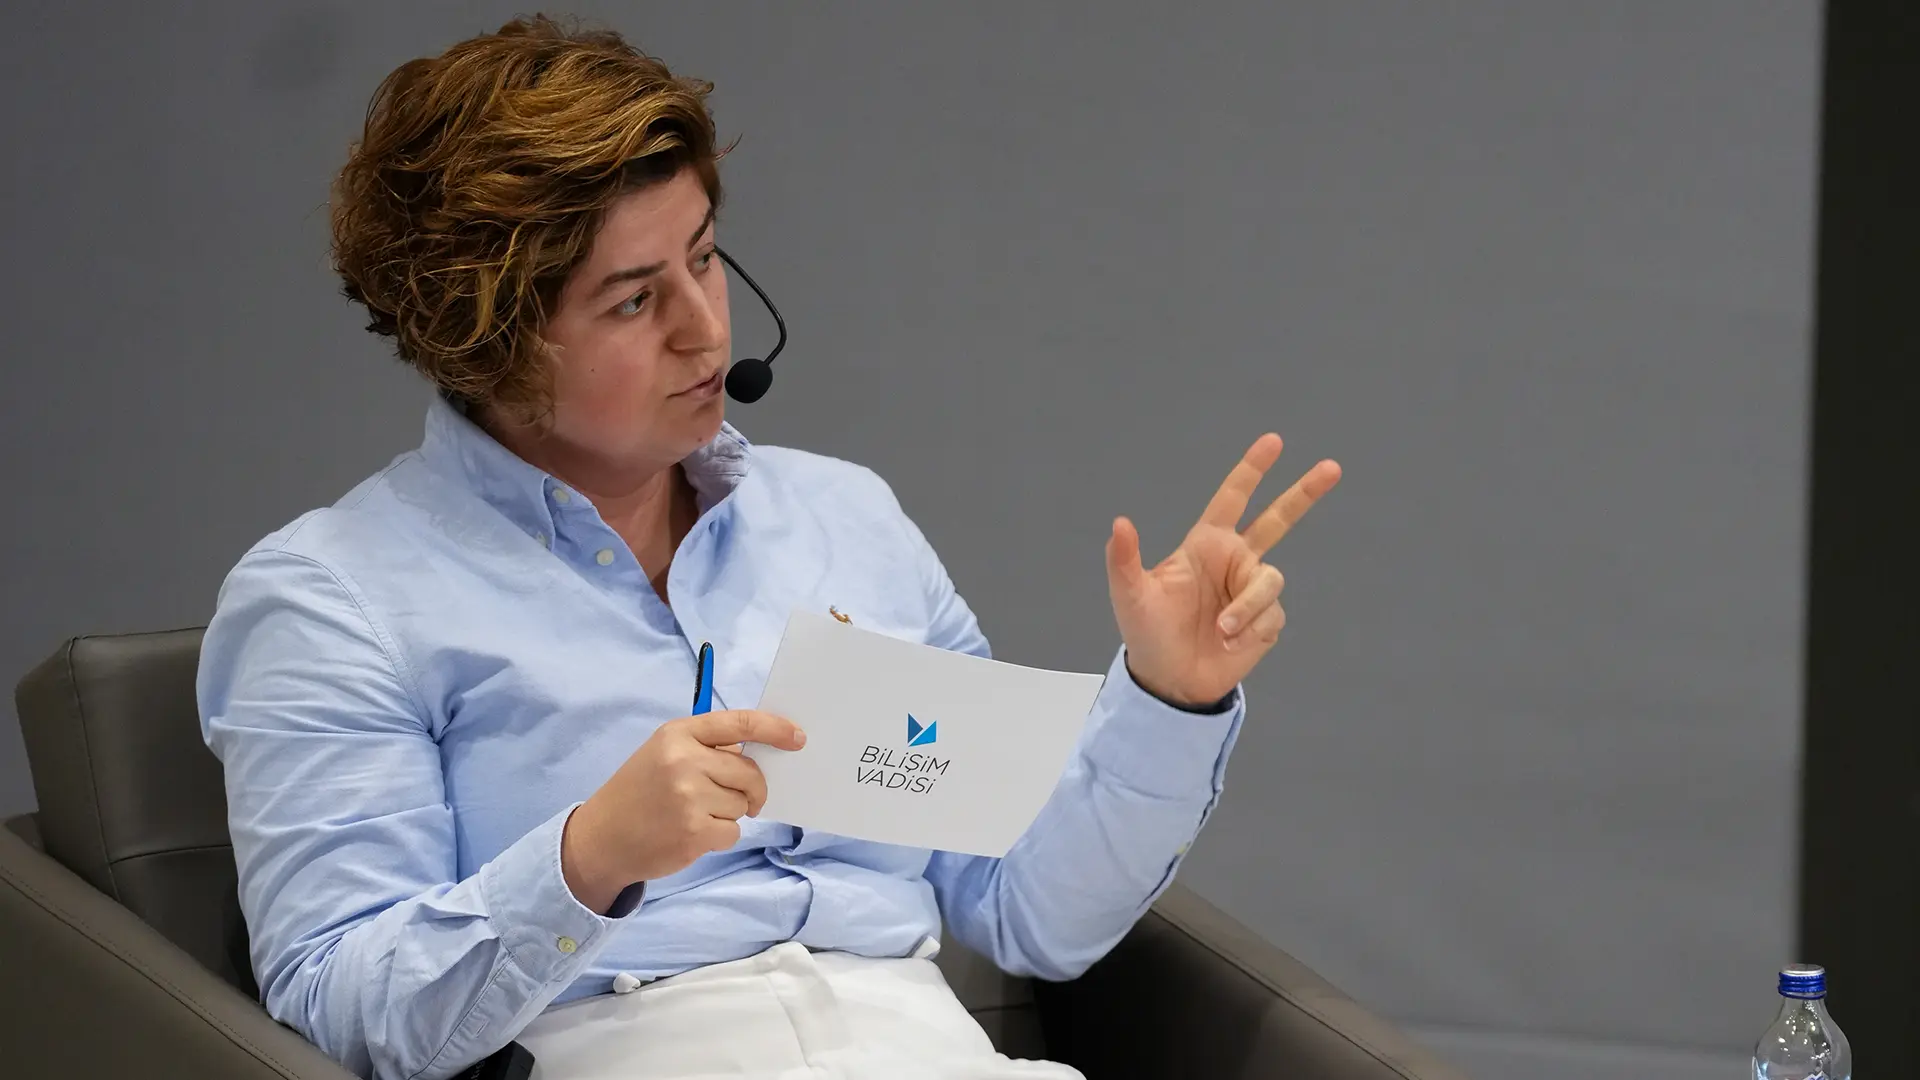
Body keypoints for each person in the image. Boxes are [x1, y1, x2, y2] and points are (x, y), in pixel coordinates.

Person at [196, 15, 1341, 1080]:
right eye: (634, 301)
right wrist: (589, 857)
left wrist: (1169, 699)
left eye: (702, 258)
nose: (705, 330)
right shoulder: (334, 600)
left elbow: (1030, 908)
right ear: (487, 342)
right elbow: (341, 997)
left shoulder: (847, 520)